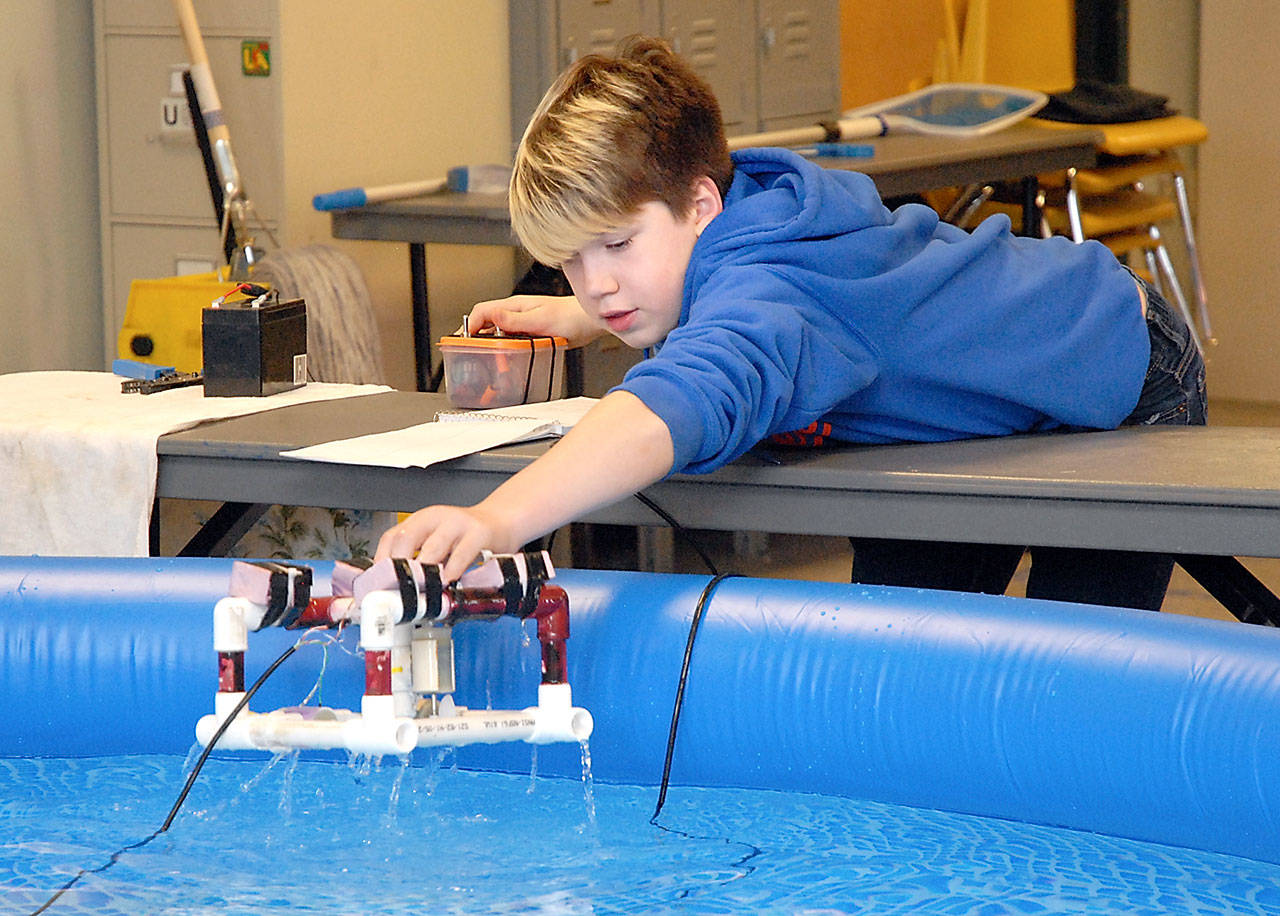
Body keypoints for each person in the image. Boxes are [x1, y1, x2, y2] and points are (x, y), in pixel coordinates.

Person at [375, 37, 1206, 611]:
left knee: (1067, 688)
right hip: (976, 414)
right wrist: (588, 315)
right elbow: (709, 284)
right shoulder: (743, 213)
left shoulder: (772, 291)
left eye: (617, 245)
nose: (597, 282)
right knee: (903, 672)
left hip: (1124, 368)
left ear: (701, 201)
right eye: (572, 263)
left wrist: (497, 520)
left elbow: (675, 401)